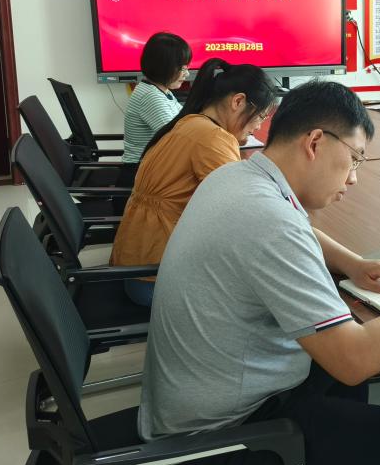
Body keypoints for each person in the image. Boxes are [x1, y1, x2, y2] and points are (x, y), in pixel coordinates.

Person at [139, 80, 380, 465]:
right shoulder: (269, 221)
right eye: (354, 159)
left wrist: (353, 263)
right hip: (215, 449)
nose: (354, 178)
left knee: (351, 368)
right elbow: (352, 359)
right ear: (315, 142)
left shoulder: (239, 175)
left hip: (202, 406)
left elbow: (298, 228)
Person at [109, 58, 278, 306]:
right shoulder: (212, 138)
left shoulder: (191, 123)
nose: (259, 126)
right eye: (260, 116)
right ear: (238, 102)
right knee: (265, 297)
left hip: (139, 264)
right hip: (156, 278)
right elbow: (244, 213)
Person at [121, 32, 191, 165]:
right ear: (164, 67)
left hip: (154, 166)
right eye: (182, 68)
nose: (187, 74)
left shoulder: (162, 91)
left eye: (187, 67)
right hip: (141, 171)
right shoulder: (150, 95)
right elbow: (177, 138)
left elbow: (185, 121)